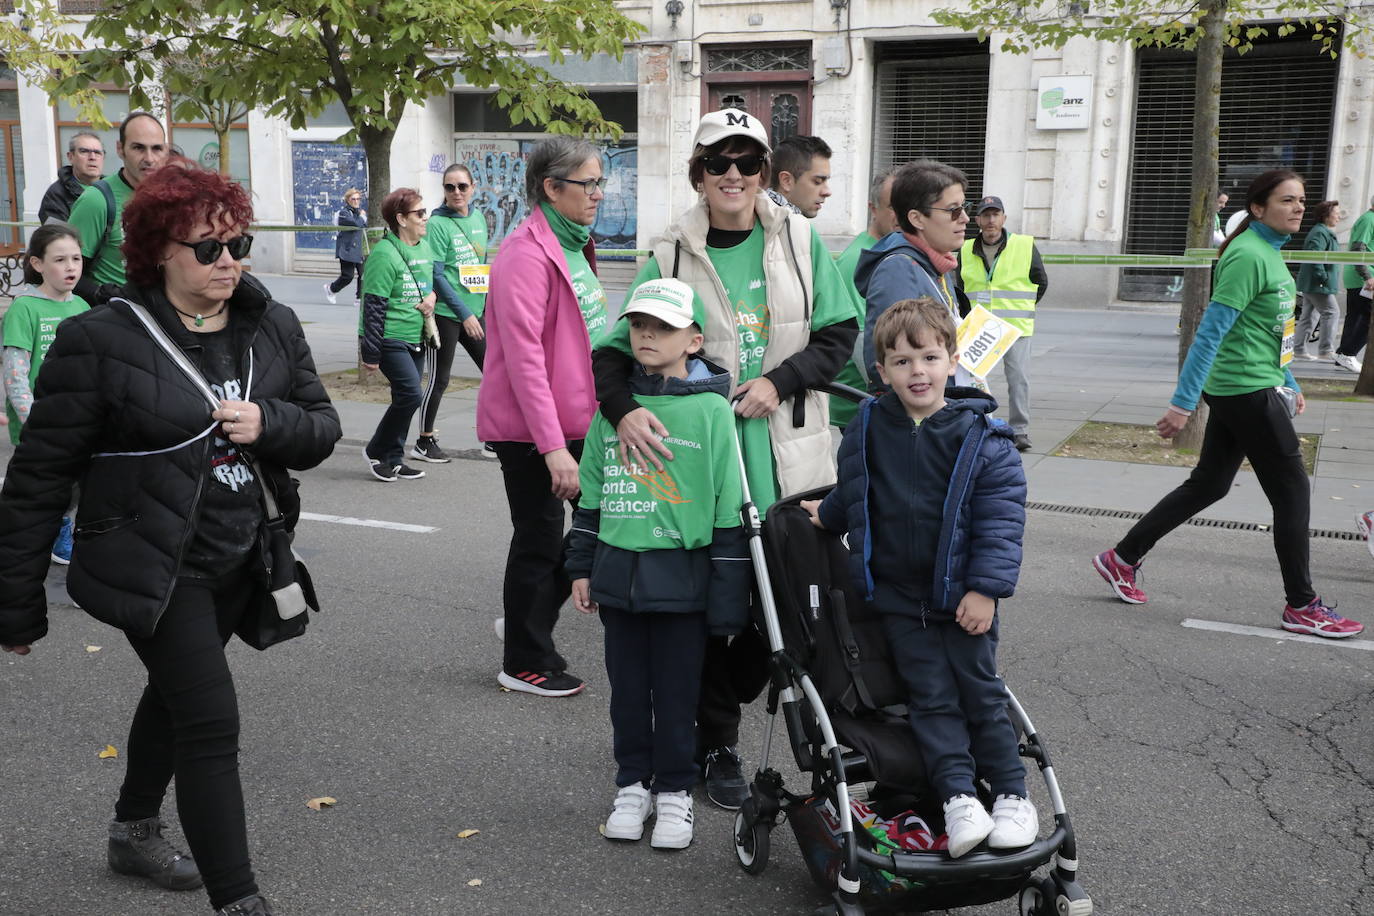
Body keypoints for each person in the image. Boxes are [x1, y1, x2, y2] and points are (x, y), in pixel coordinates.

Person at [0, 160, 341, 916]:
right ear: (159, 251)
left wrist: (270, 424)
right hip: (154, 562)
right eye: (209, 249)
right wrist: (15, 602)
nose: (231, 262)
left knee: (178, 693)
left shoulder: (271, 326)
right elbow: (38, 478)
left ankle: (132, 830)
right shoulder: (101, 340)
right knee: (212, 719)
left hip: (242, 551)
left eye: (239, 243)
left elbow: (321, 428)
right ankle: (239, 899)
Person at [592, 108, 857, 809]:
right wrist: (627, 413)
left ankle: (722, 717)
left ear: (767, 173)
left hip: (786, 461)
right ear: (698, 174)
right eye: (718, 162)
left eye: (747, 162)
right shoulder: (671, 253)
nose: (733, 174)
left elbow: (840, 333)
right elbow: (612, 357)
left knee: (782, 613)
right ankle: (716, 743)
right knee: (713, 608)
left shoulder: (800, 240)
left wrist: (780, 380)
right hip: (698, 470)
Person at [802, 296, 1035, 859]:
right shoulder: (868, 426)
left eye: (929, 358)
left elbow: (1001, 522)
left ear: (951, 361)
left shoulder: (981, 439)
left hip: (964, 600)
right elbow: (857, 489)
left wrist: (985, 590)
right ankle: (958, 798)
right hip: (901, 600)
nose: (917, 372)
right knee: (929, 700)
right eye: (902, 362)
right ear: (881, 372)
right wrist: (826, 514)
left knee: (982, 697)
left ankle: (1011, 794)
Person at [1092, 169, 1363, 639]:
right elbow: (1209, 333)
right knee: (1294, 492)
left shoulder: (1272, 254)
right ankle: (1302, 605)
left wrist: (1289, 377)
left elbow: (1266, 332)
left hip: (1253, 383)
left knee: (1210, 485)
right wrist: (1182, 404)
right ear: (1258, 208)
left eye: (1301, 200)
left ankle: (1122, 557)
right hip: (1244, 390)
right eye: (1286, 200)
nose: (1298, 207)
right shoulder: (1247, 256)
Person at [566, 278, 750, 851]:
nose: (648, 335)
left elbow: (728, 507)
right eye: (640, 325)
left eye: (664, 327)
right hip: (618, 579)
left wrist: (726, 596)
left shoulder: (715, 412)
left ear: (694, 340)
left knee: (675, 695)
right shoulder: (613, 416)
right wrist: (580, 566)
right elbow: (590, 498)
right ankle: (631, 785)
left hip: (684, 581)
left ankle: (674, 791)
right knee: (627, 694)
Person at [476, 135, 611, 699]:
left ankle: (525, 621)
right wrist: (552, 447)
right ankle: (525, 659)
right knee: (538, 538)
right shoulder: (524, 253)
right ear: (552, 188)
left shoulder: (574, 242)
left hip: (582, 422)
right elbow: (526, 357)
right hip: (533, 431)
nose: (600, 193)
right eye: (589, 183)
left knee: (599, 527)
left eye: (602, 181)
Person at [2, 223, 89, 564]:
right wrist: (32, 420)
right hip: (39, 423)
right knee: (42, 487)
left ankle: (61, 526)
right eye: (60, 260)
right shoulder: (25, 308)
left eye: (76, 259)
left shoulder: (82, 306)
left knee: (77, 482)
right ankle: (39, 536)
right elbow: (14, 372)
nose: (70, 267)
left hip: (77, 420)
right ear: (37, 264)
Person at [855, 159, 972, 390]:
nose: (965, 218)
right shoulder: (898, 269)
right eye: (953, 210)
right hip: (920, 419)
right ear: (917, 219)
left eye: (965, 207)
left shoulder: (935, 262)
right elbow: (890, 362)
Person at [956, 195, 1049, 452]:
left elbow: (1040, 281)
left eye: (995, 215)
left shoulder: (1024, 245)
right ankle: (974, 424)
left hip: (1015, 325)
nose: (991, 220)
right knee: (971, 378)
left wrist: (1023, 307)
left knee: (1018, 379)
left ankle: (1019, 431)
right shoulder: (965, 249)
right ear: (978, 220)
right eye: (986, 215)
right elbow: (959, 287)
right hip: (979, 326)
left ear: (1004, 219)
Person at [359, 187, 437, 482]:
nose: (425, 218)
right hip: (390, 336)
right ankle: (376, 451)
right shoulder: (384, 254)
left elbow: (429, 284)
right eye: (419, 213)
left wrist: (432, 298)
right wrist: (371, 352)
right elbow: (374, 305)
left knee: (405, 397)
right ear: (401, 219)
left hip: (415, 334)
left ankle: (394, 458)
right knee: (411, 394)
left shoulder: (424, 247)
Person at [414, 163, 488, 463]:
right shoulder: (437, 224)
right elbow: (437, 275)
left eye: (462, 186)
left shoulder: (479, 217)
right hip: (446, 314)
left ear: (473, 187)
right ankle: (424, 441)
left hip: (476, 311)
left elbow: (479, 266)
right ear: (444, 190)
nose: (456, 192)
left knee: (495, 374)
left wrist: (485, 307)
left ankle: (493, 437)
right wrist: (464, 314)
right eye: (449, 187)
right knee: (439, 379)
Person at [68, 112, 170, 305]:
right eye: (138, 148)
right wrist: (105, 295)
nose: (149, 158)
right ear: (120, 149)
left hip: (164, 315)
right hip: (117, 319)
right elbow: (67, 272)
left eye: (156, 148)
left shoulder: (174, 197)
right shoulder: (97, 200)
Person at [830, 168, 896, 427]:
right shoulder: (860, 259)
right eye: (892, 206)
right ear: (873, 208)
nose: (901, 214)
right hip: (862, 407)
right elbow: (861, 345)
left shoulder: (887, 251)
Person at [1294, 200, 1342, 361]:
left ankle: (1299, 349)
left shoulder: (1321, 232)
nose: (1339, 217)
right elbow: (1315, 256)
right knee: (1332, 312)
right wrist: (1324, 277)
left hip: (1314, 283)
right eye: (1336, 213)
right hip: (1317, 284)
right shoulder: (1320, 233)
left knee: (1309, 316)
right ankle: (1326, 350)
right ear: (1326, 215)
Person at [1334, 195, 1374, 373]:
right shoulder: (1369, 220)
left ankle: (1342, 354)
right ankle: (1348, 354)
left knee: (1355, 316)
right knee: (1369, 317)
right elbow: (1358, 248)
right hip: (1364, 278)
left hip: (1360, 277)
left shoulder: (1368, 219)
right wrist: (1367, 276)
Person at [38, 132, 105, 224]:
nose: (92, 157)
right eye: (84, 151)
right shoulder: (56, 195)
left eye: (97, 152)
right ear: (70, 157)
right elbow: (57, 236)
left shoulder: (113, 188)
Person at [765, 135, 832, 219]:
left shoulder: (802, 227)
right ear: (786, 181)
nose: (827, 192)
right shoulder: (755, 224)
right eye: (817, 181)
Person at [324, 188, 367, 306]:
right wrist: (363, 217)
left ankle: (359, 298)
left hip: (359, 249)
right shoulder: (344, 213)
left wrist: (362, 217)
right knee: (348, 276)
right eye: (353, 199)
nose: (356, 201)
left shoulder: (359, 213)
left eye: (358, 199)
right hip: (347, 249)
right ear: (348, 200)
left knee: (363, 274)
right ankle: (331, 289)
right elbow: (356, 224)